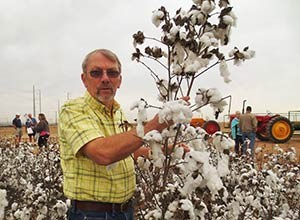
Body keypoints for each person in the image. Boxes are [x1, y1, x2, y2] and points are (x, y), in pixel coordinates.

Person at [58, 49, 184, 220]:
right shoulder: (73, 110)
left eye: (112, 72)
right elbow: (102, 153)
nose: (105, 78)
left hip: (124, 211)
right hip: (91, 214)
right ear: (84, 79)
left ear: (120, 80)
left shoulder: (118, 112)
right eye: (96, 73)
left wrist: (163, 151)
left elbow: (127, 152)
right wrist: (155, 124)